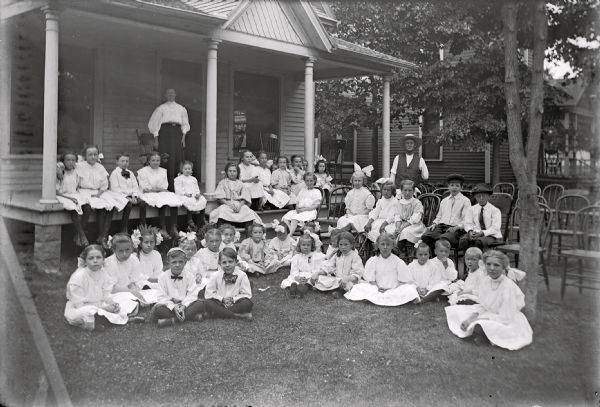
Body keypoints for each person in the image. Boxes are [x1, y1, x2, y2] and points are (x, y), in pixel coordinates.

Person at [444, 250, 533, 350]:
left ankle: (482, 332)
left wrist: (478, 319)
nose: (491, 268)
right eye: (488, 264)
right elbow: (483, 305)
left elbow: (505, 317)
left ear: (503, 267)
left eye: (496, 265)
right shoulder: (486, 281)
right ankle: (479, 330)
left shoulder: (508, 286)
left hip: (506, 317)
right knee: (458, 311)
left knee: (486, 324)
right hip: (490, 312)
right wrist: (471, 318)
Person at [64, 245, 127, 330]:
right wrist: (104, 308)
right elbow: (79, 304)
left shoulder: (103, 273)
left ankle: (105, 319)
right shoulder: (78, 277)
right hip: (81, 308)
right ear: (85, 261)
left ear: (103, 260)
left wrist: (112, 303)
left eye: (98, 257)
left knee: (123, 299)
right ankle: (98, 322)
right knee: (89, 312)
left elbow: (106, 294)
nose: (95, 261)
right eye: (91, 258)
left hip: (99, 304)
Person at [345, 233, 418, 306]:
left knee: (410, 289)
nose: (385, 247)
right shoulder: (373, 260)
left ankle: (386, 296)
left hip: (394, 289)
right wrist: (378, 287)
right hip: (376, 288)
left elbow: (403, 281)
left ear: (393, 246)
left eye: (388, 244)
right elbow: (371, 280)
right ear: (378, 245)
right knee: (359, 287)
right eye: (382, 244)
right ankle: (386, 296)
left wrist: (391, 289)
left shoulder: (398, 261)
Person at [76, 145, 128, 249]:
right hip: (84, 191)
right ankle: (100, 237)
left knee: (111, 205)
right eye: (90, 154)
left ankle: (103, 236)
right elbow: (76, 182)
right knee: (99, 206)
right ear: (85, 156)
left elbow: (104, 185)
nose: (93, 157)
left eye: (95, 154)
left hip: (99, 191)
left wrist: (99, 193)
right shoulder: (80, 166)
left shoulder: (100, 167)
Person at [147, 88, 190, 189]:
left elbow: (185, 125)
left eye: (172, 93)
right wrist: (156, 139)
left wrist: (183, 138)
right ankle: (165, 186)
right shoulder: (161, 108)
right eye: (168, 93)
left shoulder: (181, 108)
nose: (170, 95)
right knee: (165, 158)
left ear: (175, 95)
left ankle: (176, 186)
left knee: (177, 158)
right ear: (165, 95)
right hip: (165, 134)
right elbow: (154, 124)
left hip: (177, 134)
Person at [151, 247, 204, 328]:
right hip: (169, 306)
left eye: (180, 262)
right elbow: (162, 297)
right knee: (159, 310)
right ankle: (192, 316)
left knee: (200, 304)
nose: (177, 265)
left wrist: (183, 305)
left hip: (185, 305)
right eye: (174, 262)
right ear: (168, 263)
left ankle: (171, 320)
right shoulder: (162, 277)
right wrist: (174, 307)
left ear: (185, 262)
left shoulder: (189, 276)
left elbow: (192, 294)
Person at [420, 173, 471, 253]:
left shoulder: (465, 201)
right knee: (426, 236)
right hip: (441, 227)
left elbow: (467, 219)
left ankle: (443, 258)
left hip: (456, 229)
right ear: (448, 187)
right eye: (452, 185)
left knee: (443, 239)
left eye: (457, 186)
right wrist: (434, 223)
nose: (454, 188)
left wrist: (457, 227)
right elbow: (439, 216)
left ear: (461, 187)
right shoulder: (444, 201)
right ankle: (434, 257)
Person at [137, 151, 183, 239]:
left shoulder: (163, 171)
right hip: (148, 194)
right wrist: (159, 189)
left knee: (173, 198)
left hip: (160, 193)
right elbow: (146, 188)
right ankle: (163, 227)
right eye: (153, 160)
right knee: (161, 199)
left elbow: (164, 185)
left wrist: (159, 189)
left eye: (157, 160)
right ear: (149, 161)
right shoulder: (143, 171)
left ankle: (173, 227)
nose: (155, 162)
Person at [104, 233, 154, 308]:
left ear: (131, 248)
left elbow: (132, 282)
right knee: (124, 300)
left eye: (127, 250)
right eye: (121, 251)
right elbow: (112, 288)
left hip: (128, 287)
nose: (125, 254)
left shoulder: (133, 259)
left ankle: (141, 302)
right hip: (115, 291)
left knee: (146, 287)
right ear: (114, 250)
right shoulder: (109, 263)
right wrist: (131, 292)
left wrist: (136, 293)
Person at [204, 248, 254, 320]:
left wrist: (233, 299)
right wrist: (222, 299)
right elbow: (208, 294)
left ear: (236, 262)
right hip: (219, 303)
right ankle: (238, 316)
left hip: (235, 303)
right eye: (224, 262)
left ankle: (215, 314)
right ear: (219, 263)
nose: (227, 265)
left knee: (247, 303)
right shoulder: (215, 275)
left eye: (230, 262)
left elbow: (247, 294)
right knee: (207, 303)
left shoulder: (242, 275)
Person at [312, 231, 364, 298]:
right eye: (341, 245)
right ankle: (331, 288)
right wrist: (318, 273)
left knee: (352, 286)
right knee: (323, 278)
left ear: (351, 244)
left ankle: (340, 292)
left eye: (346, 244)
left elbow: (357, 273)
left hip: (349, 280)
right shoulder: (337, 254)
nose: (343, 247)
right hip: (338, 280)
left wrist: (347, 278)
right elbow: (330, 266)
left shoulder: (355, 256)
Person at [56, 152, 91, 247]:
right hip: (62, 196)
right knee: (73, 208)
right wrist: (58, 168)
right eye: (68, 160)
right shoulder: (60, 172)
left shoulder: (76, 170)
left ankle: (78, 233)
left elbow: (83, 162)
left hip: (74, 194)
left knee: (87, 207)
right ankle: (82, 235)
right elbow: (56, 192)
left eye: (73, 160)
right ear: (63, 162)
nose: (70, 162)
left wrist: (74, 197)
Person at [109, 153, 147, 233]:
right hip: (120, 196)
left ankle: (143, 227)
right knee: (128, 205)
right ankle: (124, 228)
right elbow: (115, 189)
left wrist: (134, 196)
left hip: (132, 196)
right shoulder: (114, 174)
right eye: (122, 161)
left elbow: (135, 187)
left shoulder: (130, 173)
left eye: (127, 161)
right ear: (117, 162)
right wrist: (127, 198)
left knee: (143, 204)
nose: (125, 163)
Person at [458, 183, 503, 251]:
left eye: (484, 196)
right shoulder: (471, 209)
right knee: (463, 241)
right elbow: (467, 223)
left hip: (491, 235)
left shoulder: (495, 210)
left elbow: (495, 228)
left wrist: (482, 233)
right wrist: (470, 231)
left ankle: (479, 260)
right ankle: (467, 260)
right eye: (478, 196)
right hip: (476, 233)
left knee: (478, 242)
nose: (481, 198)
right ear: (475, 197)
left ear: (488, 196)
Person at [280, 234, 326, 298]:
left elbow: (316, 269)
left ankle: (301, 290)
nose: (306, 247)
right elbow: (294, 270)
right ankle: (293, 288)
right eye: (303, 245)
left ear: (312, 246)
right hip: (299, 275)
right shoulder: (296, 257)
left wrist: (310, 277)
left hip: (310, 276)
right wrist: (297, 277)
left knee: (309, 283)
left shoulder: (315, 257)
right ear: (299, 246)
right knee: (293, 280)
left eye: (308, 245)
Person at [395, 180, 426, 262]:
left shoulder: (416, 202)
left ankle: (405, 254)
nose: (407, 193)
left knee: (405, 232)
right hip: (401, 224)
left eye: (410, 190)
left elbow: (415, 218)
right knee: (392, 231)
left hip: (414, 225)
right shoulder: (399, 203)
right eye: (405, 190)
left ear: (413, 191)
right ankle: (396, 253)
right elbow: (397, 215)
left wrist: (402, 228)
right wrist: (398, 227)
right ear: (401, 191)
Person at [174, 160, 207, 231]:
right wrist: (185, 194)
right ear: (182, 170)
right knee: (189, 201)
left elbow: (196, 188)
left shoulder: (193, 179)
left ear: (191, 169)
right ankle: (189, 218)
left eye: (189, 169)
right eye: (185, 169)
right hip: (184, 195)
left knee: (203, 199)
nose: (187, 170)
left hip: (193, 195)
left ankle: (202, 217)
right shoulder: (179, 179)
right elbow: (178, 189)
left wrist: (197, 194)